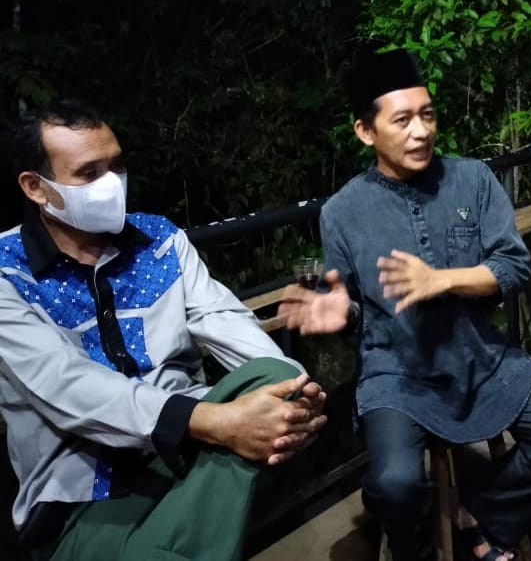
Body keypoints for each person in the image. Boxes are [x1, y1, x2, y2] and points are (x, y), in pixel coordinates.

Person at [279, 48, 531, 561]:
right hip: (396, 372)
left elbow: (514, 266)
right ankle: (416, 541)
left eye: (427, 115)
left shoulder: (472, 178)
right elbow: (353, 306)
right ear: (365, 131)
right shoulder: (342, 211)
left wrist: (441, 280)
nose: (421, 131)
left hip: (482, 355)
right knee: (394, 486)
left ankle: (481, 510)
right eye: (402, 120)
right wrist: (342, 314)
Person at [0, 102, 327, 561]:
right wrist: (213, 421)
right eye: (88, 173)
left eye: (116, 165)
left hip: (191, 458)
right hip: (83, 500)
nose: (111, 183)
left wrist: (299, 393)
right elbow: (68, 386)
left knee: (276, 375)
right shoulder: (8, 274)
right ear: (36, 186)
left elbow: (225, 319)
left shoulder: (160, 241)